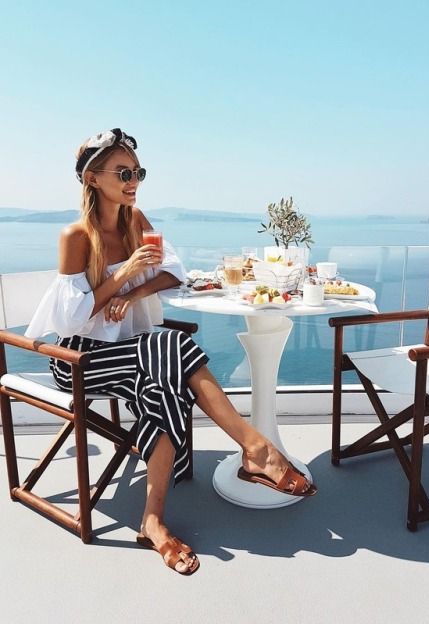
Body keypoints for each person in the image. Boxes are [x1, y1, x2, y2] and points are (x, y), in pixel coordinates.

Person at [25, 128, 316, 575]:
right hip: (79, 361)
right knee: (171, 344)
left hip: (133, 351)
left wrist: (138, 293)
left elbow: (175, 273)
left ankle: (153, 520)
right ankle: (254, 449)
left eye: (137, 171)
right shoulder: (77, 236)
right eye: (123, 171)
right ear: (92, 178)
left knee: (162, 378)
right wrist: (124, 279)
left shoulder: (135, 219)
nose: (133, 179)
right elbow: (70, 321)